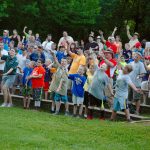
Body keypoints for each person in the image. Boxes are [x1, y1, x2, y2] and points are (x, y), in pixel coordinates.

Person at [49, 51, 69, 115]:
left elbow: (63, 80)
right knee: (57, 99)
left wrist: (59, 87)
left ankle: (67, 111)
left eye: (64, 61)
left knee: (65, 100)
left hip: (63, 87)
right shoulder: (59, 67)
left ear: (67, 62)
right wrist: (53, 55)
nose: (63, 62)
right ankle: (57, 111)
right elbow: (56, 60)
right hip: (57, 86)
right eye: (62, 61)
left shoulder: (66, 70)